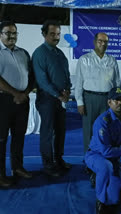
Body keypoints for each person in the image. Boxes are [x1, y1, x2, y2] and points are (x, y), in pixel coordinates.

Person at [84, 87, 121, 214]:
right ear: (109, 102)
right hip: (97, 155)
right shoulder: (103, 121)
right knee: (106, 168)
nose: (120, 103)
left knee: (114, 198)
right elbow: (106, 151)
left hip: (115, 158)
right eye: (116, 100)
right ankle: (100, 200)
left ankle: (99, 178)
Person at [32, 20, 72, 177]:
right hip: (47, 99)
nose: (56, 37)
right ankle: (48, 164)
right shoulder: (40, 53)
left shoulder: (59, 53)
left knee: (60, 131)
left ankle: (59, 159)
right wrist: (59, 95)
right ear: (43, 34)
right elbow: (42, 81)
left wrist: (67, 90)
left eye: (58, 34)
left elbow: (66, 75)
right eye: (52, 34)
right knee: (48, 132)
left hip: (60, 98)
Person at [0, 21, 34, 187]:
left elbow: (31, 77)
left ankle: (17, 167)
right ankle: (0, 175)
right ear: (0, 34)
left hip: (22, 101)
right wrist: (15, 94)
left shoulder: (24, 53)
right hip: (3, 101)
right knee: (1, 139)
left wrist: (24, 94)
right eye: (8, 33)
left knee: (19, 136)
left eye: (14, 33)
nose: (12, 36)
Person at [75, 32, 120, 154]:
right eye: (100, 41)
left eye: (105, 42)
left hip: (108, 100)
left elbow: (117, 83)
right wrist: (80, 102)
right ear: (95, 42)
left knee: (107, 129)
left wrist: (116, 101)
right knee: (89, 131)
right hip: (89, 99)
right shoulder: (84, 60)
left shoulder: (112, 60)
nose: (103, 44)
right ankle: (89, 161)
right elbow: (78, 82)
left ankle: (106, 156)